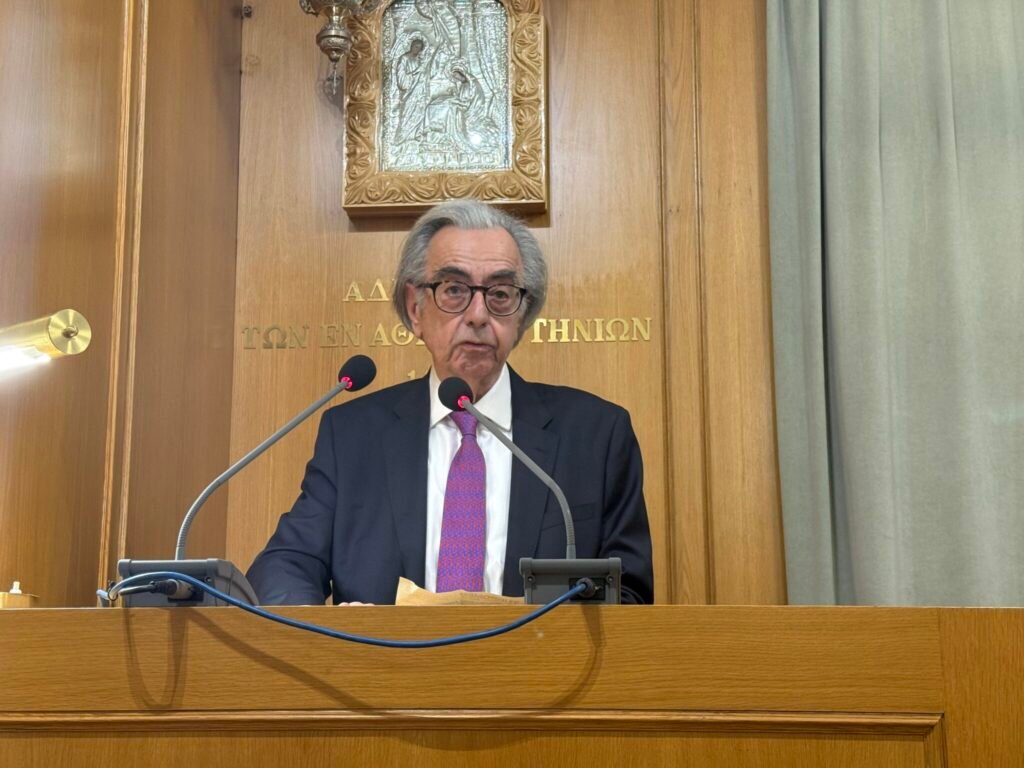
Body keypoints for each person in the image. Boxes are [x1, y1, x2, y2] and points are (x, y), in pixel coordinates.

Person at [247, 200, 654, 605]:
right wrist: (330, 628)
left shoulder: (596, 436)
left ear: (522, 315)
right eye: (454, 290)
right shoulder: (354, 435)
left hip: (540, 651)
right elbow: (285, 564)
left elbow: (630, 594)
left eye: (500, 293)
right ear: (415, 309)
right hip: (380, 649)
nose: (478, 315)